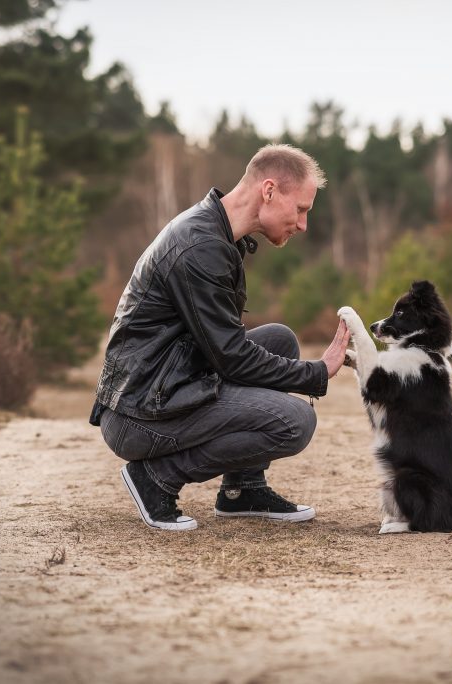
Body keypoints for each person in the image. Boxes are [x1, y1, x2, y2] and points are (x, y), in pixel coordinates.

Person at [90, 144, 352, 531]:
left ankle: (242, 490)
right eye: (301, 209)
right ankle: (157, 478)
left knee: (279, 339)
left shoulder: (216, 234)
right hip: (139, 412)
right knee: (295, 422)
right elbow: (231, 357)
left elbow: (224, 347)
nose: (303, 225)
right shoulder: (200, 246)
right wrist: (315, 372)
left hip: (163, 386)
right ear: (268, 191)